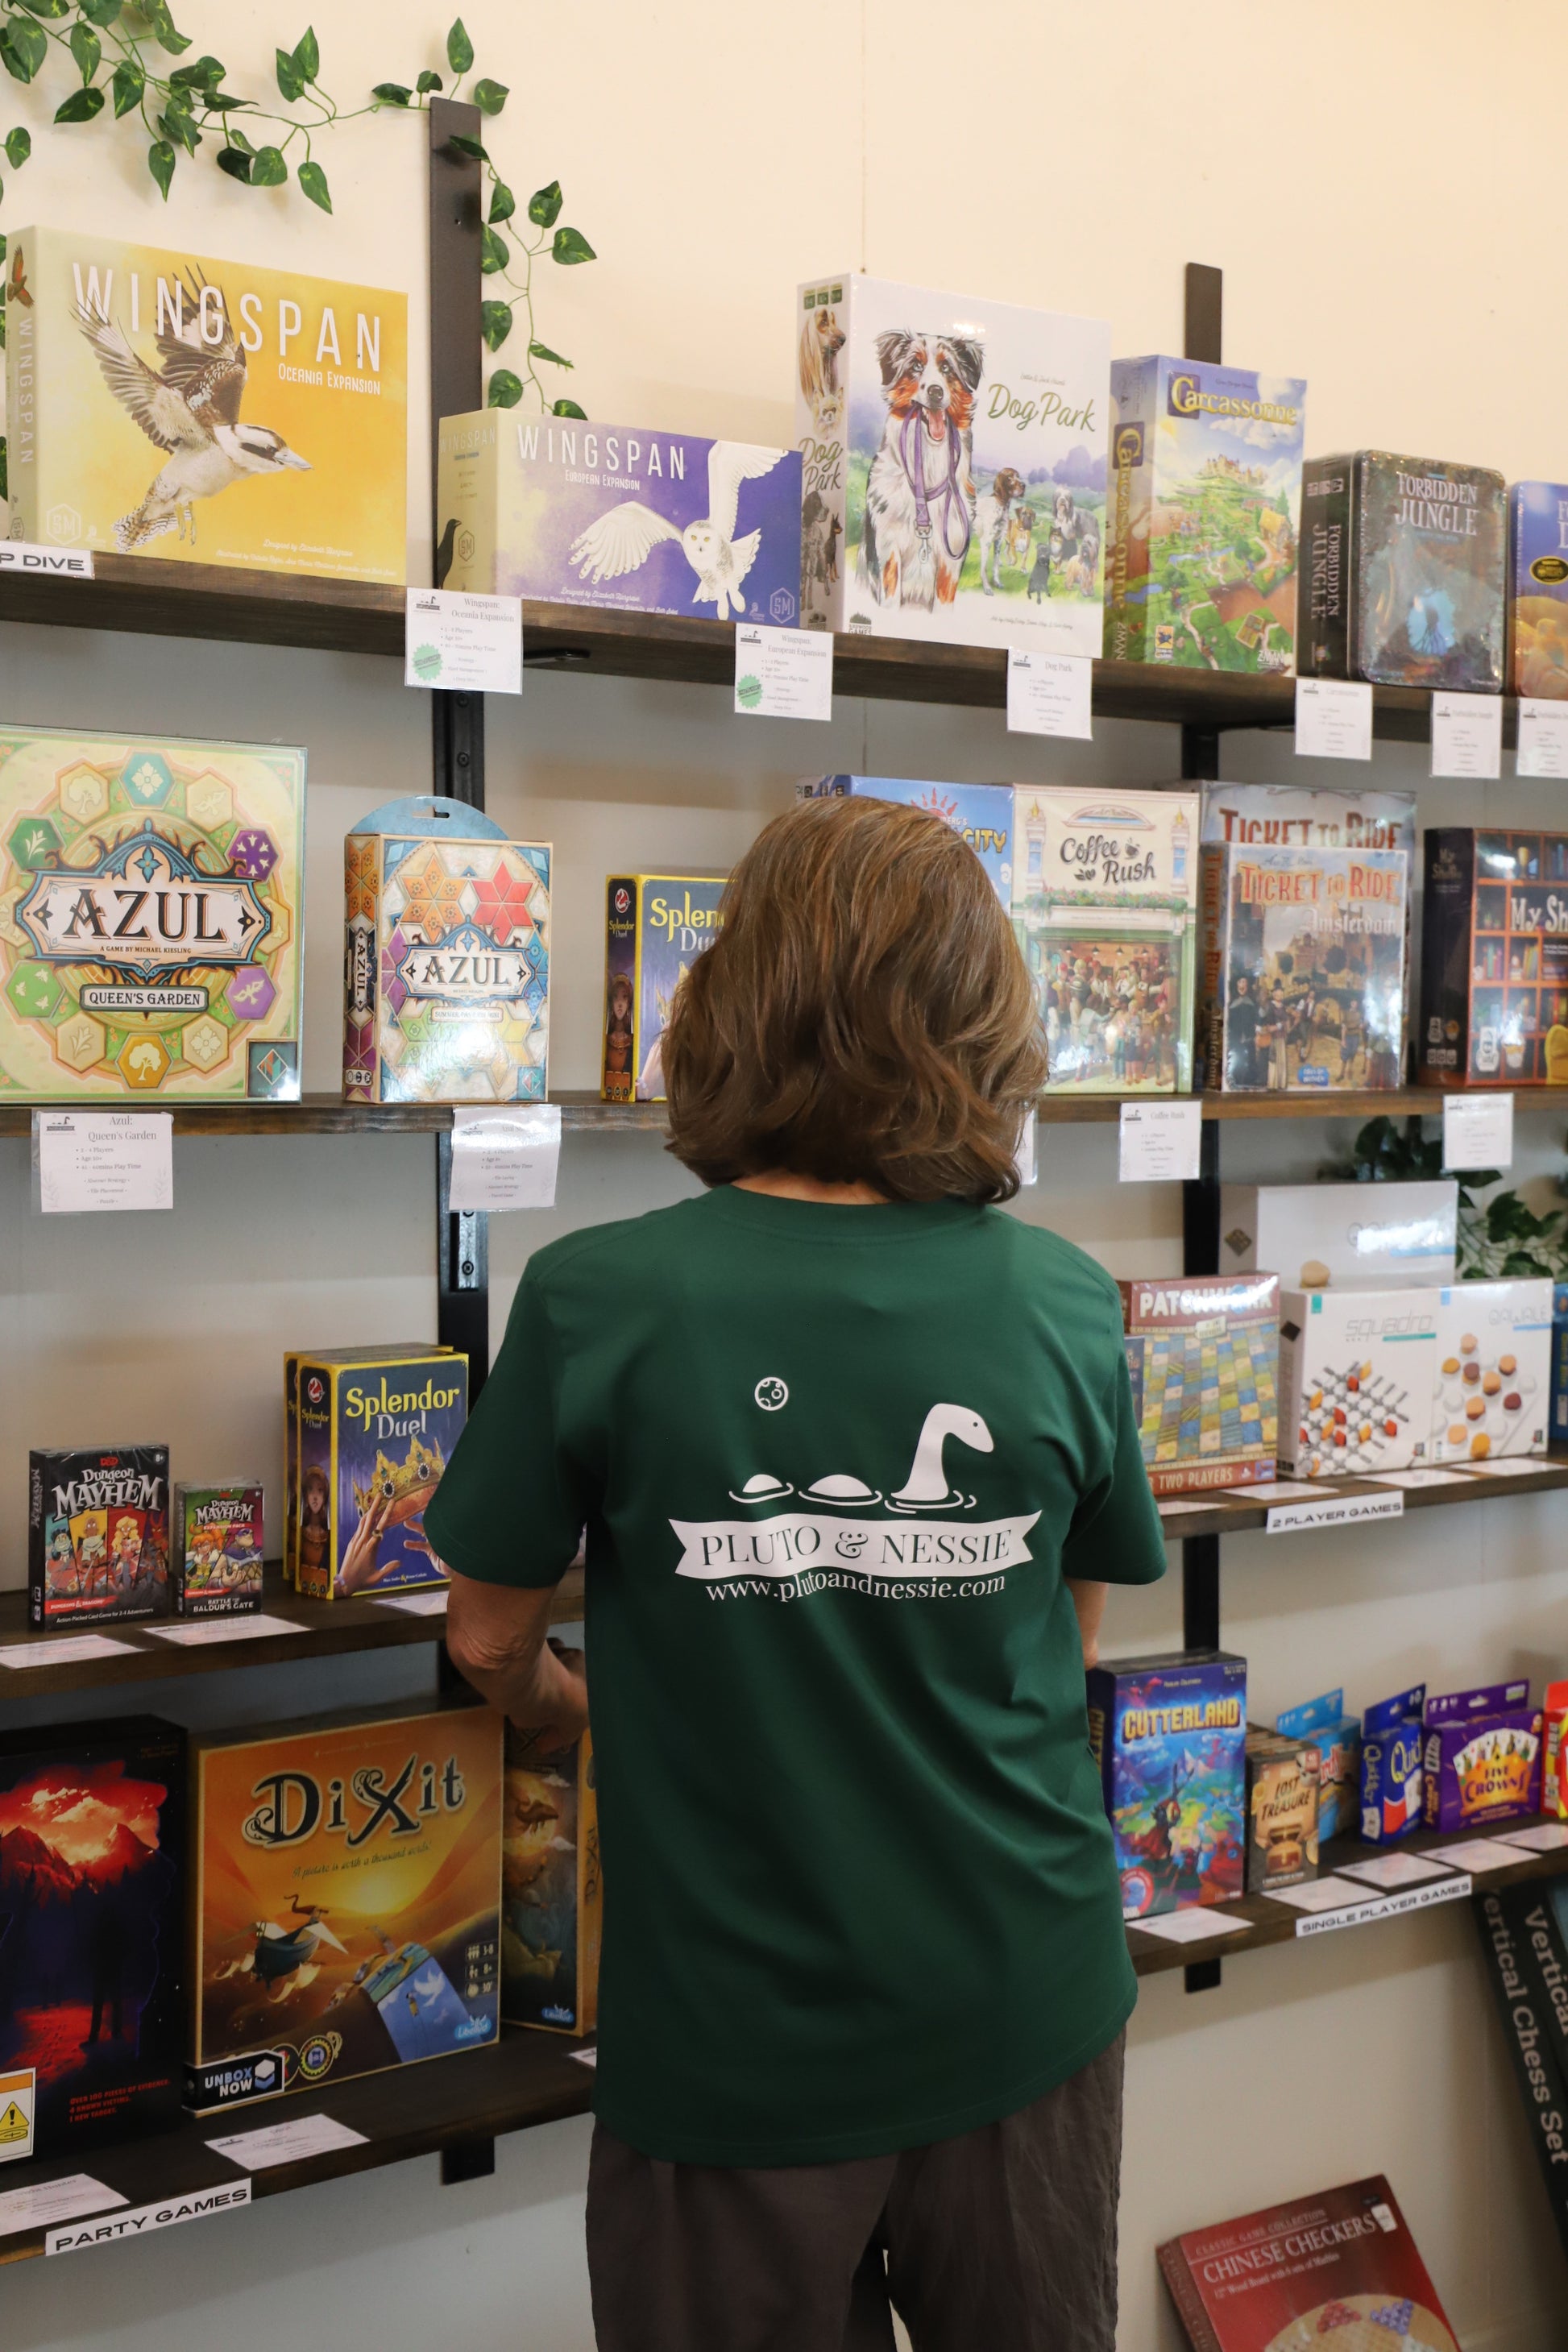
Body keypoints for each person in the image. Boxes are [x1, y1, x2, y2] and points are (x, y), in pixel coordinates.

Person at [431, 795, 1168, 2352]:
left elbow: (486, 1642)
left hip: (732, 2035)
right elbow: (1068, 1641)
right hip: (1022, 1997)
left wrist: (580, 1708)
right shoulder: (1063, 1299)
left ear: (728, 1000)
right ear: (987, 1018)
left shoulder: (593, 1298)